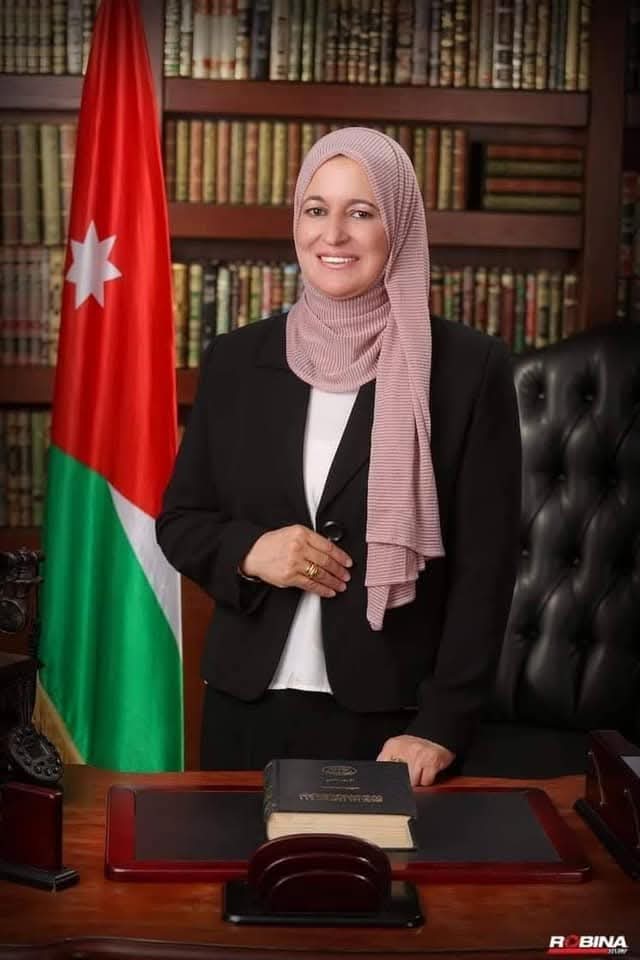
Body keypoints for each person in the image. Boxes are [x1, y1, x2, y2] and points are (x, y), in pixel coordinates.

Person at [156, 127, 521, 786]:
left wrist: (441, 725)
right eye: (316, 209)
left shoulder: (470, 369)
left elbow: (486, 569)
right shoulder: (236, 359)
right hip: (246, 703)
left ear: (398, 225)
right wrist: (250, 551)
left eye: (361, 212)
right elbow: (182, 521)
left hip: (393, 720)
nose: (333, 235)